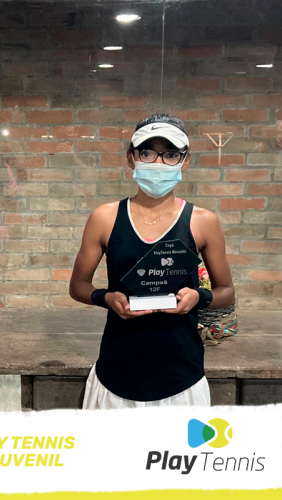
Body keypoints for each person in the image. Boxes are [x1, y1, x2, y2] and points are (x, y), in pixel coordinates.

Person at [69, 114, 235, 409]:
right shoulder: (105, 218)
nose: (158, 163)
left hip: (182, 374)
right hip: (116, 370)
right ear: (131, 158)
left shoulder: (203, 221)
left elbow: (226, 292)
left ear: (184, 161)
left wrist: (198, 297)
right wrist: (107, 298)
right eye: (147, 153)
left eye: (170, 154)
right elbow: (78, 286)